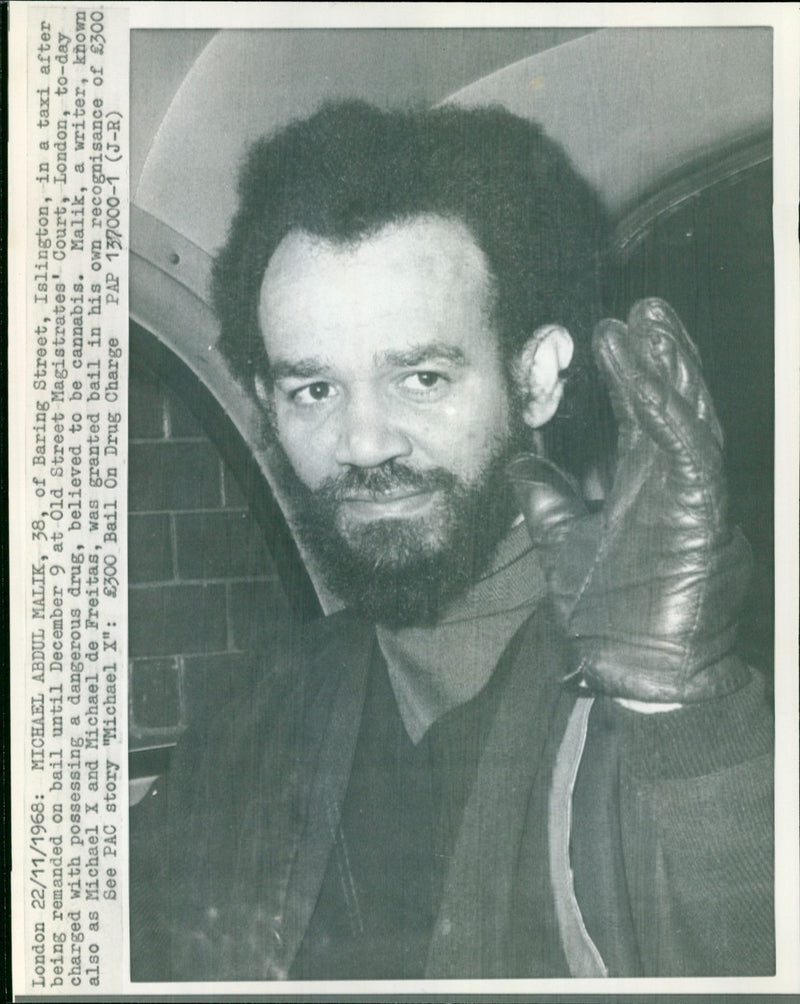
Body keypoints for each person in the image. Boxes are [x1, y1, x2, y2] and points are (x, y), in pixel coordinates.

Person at [129, 101, 774, 981]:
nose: (364, 444)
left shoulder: (684, 677)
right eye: (313, 390)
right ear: (263, 398)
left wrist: (683, 716)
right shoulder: (257, 717)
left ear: (537, 377)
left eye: (421, 377)